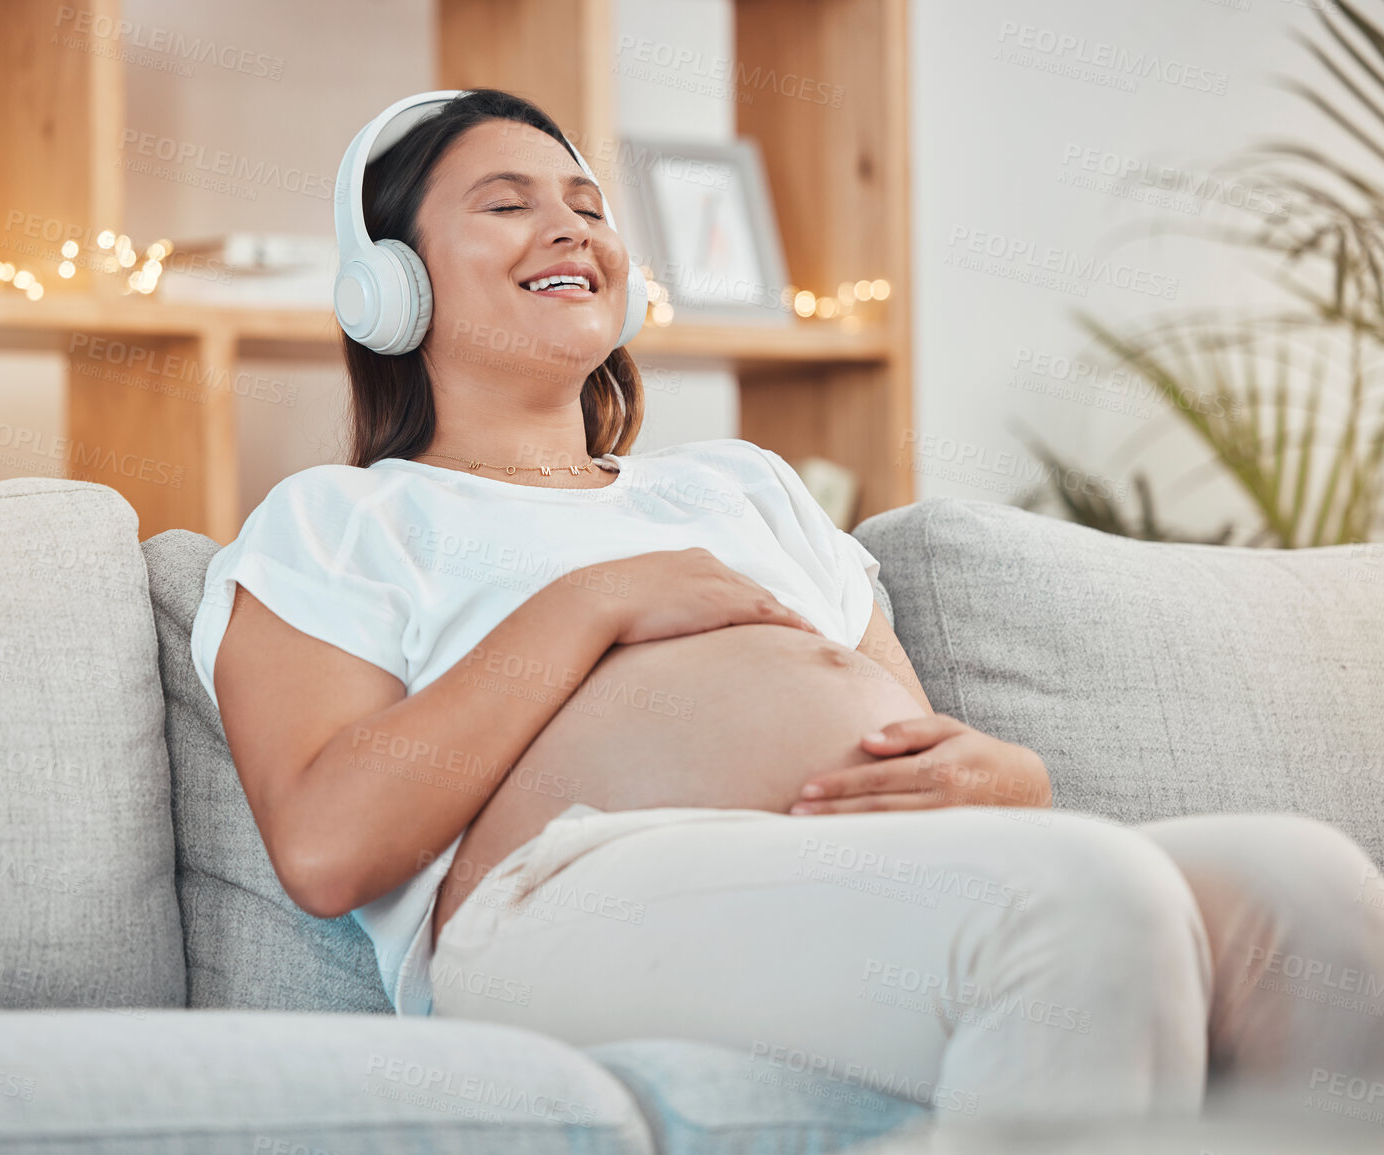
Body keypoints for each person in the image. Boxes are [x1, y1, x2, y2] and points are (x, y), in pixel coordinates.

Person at [191, 89, 1384, 1124]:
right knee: (1091, 898)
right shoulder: (336, 522)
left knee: (1304, 884)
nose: (569, 224)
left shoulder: (743, 483)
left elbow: (925, 746)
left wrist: (1006, 778)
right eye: (506, 204)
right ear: (388, 285)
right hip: (558, 903)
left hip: (867, 876)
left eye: (589, 204)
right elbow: (329, 850)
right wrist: (596, 602)